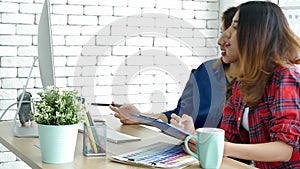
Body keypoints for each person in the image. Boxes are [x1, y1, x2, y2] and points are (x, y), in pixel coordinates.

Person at [173, 1, 300, 168]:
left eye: (235, 27)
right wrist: (194, 135)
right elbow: (230, 139)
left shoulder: (285, 76)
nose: (225, 36)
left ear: (256, 34)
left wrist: (226, 148)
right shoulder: (243, 81)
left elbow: (285, 149)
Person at [109, 7, 239, 129]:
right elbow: (178, 114)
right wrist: (140, 117)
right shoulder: (206, 71)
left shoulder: (253, 87)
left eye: (229, 35)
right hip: (190, 147)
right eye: (222, 33)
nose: (221, 42)